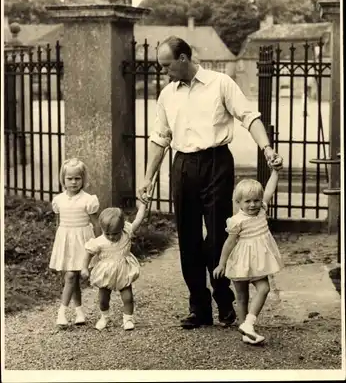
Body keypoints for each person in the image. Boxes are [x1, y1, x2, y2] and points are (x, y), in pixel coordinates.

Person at [138, 36, 283, 330]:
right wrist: (147, 177)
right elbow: (160, 138)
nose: (164, 72)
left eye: (167, 66)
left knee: (219, 234)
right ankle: (199, 307)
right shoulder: (167, 94)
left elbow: (249, 116)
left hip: (217, 162)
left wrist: (266, 148)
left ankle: (224, 299)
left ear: (183, 58)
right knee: (188, 238)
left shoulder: (220, 83)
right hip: (183, 165)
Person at [213, 166, 283, 344]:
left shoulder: (262, 211)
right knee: (242, 297)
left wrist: (275, 172)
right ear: (239, 202)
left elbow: (269, 190)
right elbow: (229, 244)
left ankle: (249, 323)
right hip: (241, 262)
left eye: (256, 201)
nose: (253, 205)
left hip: (258, 262)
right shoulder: (236, 221)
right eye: (248, 201)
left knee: (264, 288)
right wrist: (221, 264)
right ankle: (246, 332)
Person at [49, 158, 101, 327]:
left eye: (77, 178)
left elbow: (96, 223)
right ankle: (64, 313)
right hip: (66, 240)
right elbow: (59, 223)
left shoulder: (88, 200)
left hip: (83, 241)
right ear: (63, 179)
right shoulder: (59, 200)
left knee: (74, 277)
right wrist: (59, 245)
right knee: (71, 276)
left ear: (83, 179)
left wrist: (100, 245)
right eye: (69, 178)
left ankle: (76, 312)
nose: (73, 182)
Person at [81, 203, 147, 331]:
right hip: (106, 272)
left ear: (122, 228)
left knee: (128, 297)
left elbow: (138, 219)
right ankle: (104, 317)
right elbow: (88, 253)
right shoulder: (99, 242)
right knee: (103, 298)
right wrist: (84, 268)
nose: (112, 237)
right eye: (108, 234)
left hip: (123, 270)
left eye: (115, 233)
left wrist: (143, 206)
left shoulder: (127, 233)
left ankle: (128, 319)